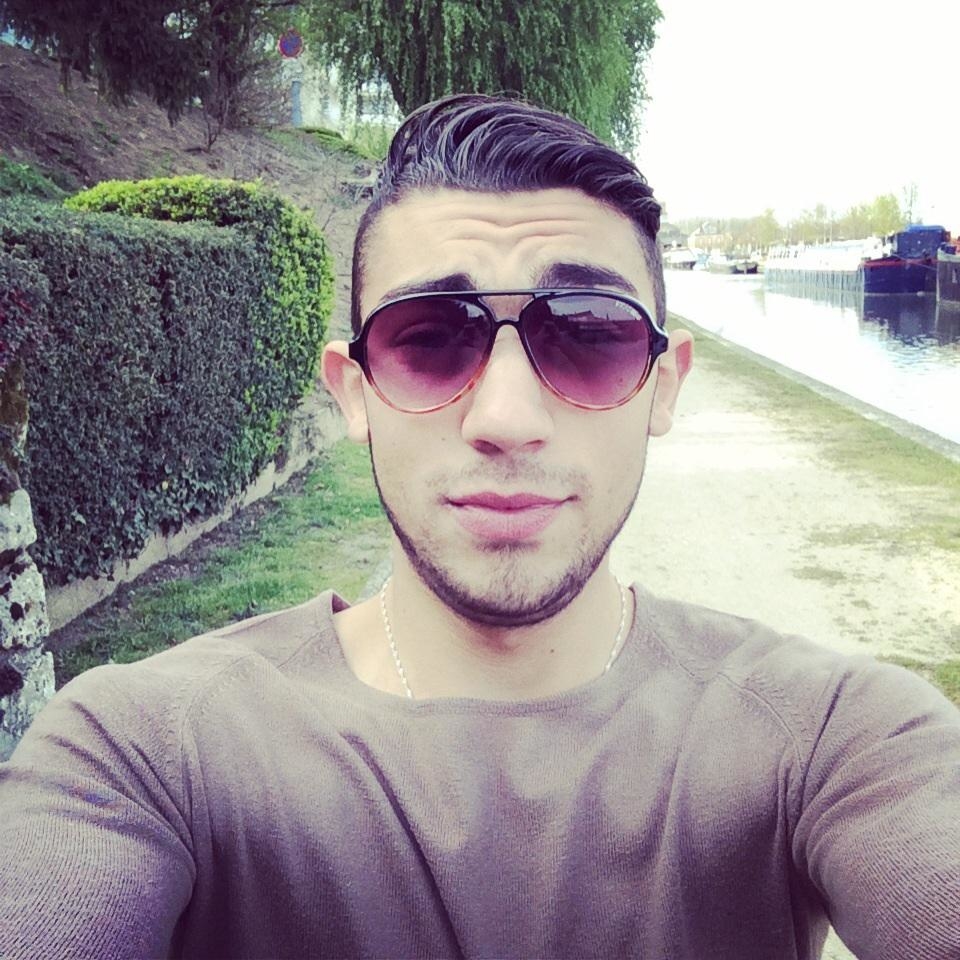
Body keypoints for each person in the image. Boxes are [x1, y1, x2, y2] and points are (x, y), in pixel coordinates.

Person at [1, 94, 958, 960]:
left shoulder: (830, 735)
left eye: (588, 333)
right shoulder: (145, 751)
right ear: (354, 393)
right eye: (429, 337)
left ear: (662, 387)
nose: (506, 418)